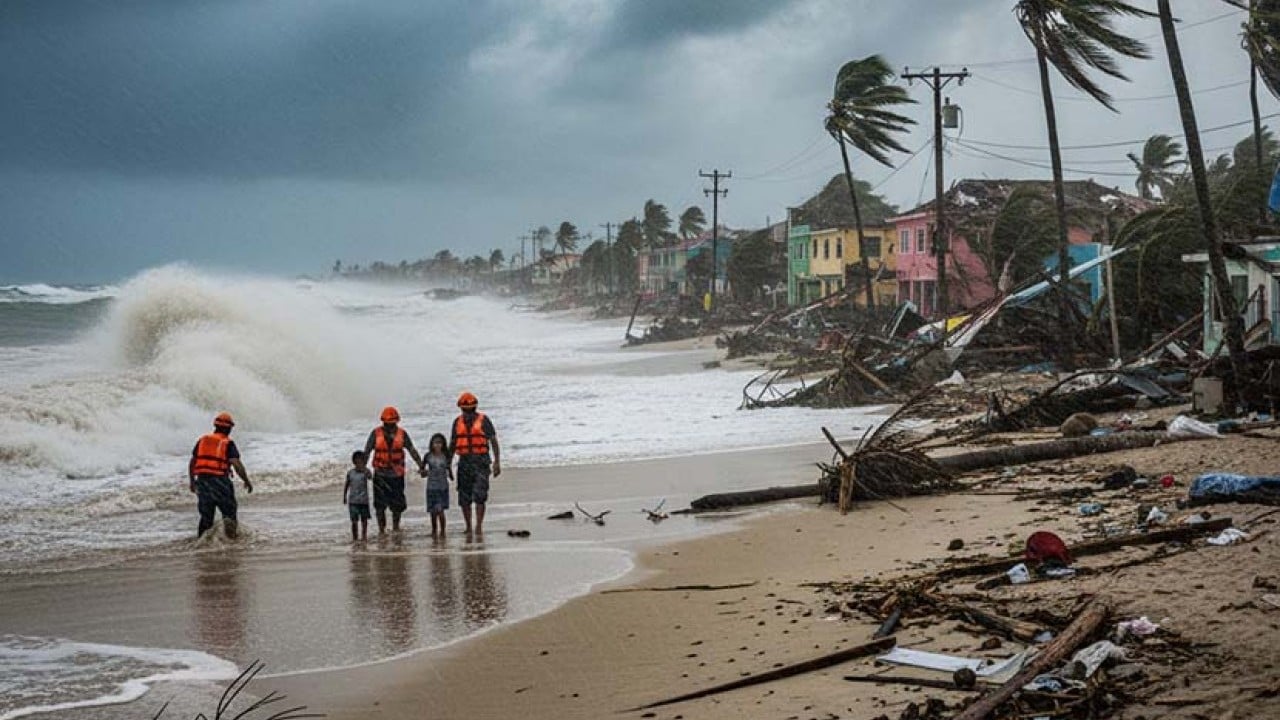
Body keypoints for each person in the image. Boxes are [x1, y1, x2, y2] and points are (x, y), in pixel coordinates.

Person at [188, 412, 253, 538]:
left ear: (215, 426)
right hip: (220, 481)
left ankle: (201, 543)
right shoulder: (227, 443)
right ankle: (231, 540)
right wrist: (246, 480)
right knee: (229, 514)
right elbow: (235, 463)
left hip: (202, 481)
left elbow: (193, 462)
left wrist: (192, 481)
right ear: (229, 428)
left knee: (206, 517)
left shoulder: (203, 440)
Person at [364, 406, 424, 534]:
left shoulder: (402, 434)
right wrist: (363, 469)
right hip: (380, 474)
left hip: (397, 474)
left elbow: (412, 450)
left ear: (396, 422)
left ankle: (396, 527)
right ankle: (382, 530)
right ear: (383, 422)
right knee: (380, 506)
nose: (390, 427)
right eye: (387, 424)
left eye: (392, 424)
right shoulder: (375, 434)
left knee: (397, 505)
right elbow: (367, 451)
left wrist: (421, 465)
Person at [450, 392, 500, 535]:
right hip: (464, 462)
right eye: (466, 410)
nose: (468, 413)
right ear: (461, 409)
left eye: (471, 410)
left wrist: (497, 462)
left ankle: (478, 525)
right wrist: (448, 465)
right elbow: (452, 444)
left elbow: (493, 441)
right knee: (464, 497)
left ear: (475, 408)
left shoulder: (484, 420)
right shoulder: (456, 422)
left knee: (480, 495)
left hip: (481, 461)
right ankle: (468, 526)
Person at [423, 433, 453, 538]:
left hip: (442, 486)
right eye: (435, 443)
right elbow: (423, 469)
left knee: (440, 510)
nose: (437, 445)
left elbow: (449, 469)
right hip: (431, 487)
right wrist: (423, 472)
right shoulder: (428, 456)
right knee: (432, 511)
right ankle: (434, 530)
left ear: (443, 444)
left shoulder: (446, 456)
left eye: (440, 443)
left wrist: (452, 476)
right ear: (431, 444)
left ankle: (443, 531)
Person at [343, 450, 373, 542]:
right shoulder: (350, 473)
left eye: (361, 462)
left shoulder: (365, 472)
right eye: (357, 462)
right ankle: (355, 538)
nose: (359, 464)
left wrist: (365, 470)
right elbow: (347, 484)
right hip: (353, 501)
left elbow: (370, 477)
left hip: (364, 501)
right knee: (354, 521)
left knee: (364, 521)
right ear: (354, 462)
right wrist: (344, 496)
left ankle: (364, 537)